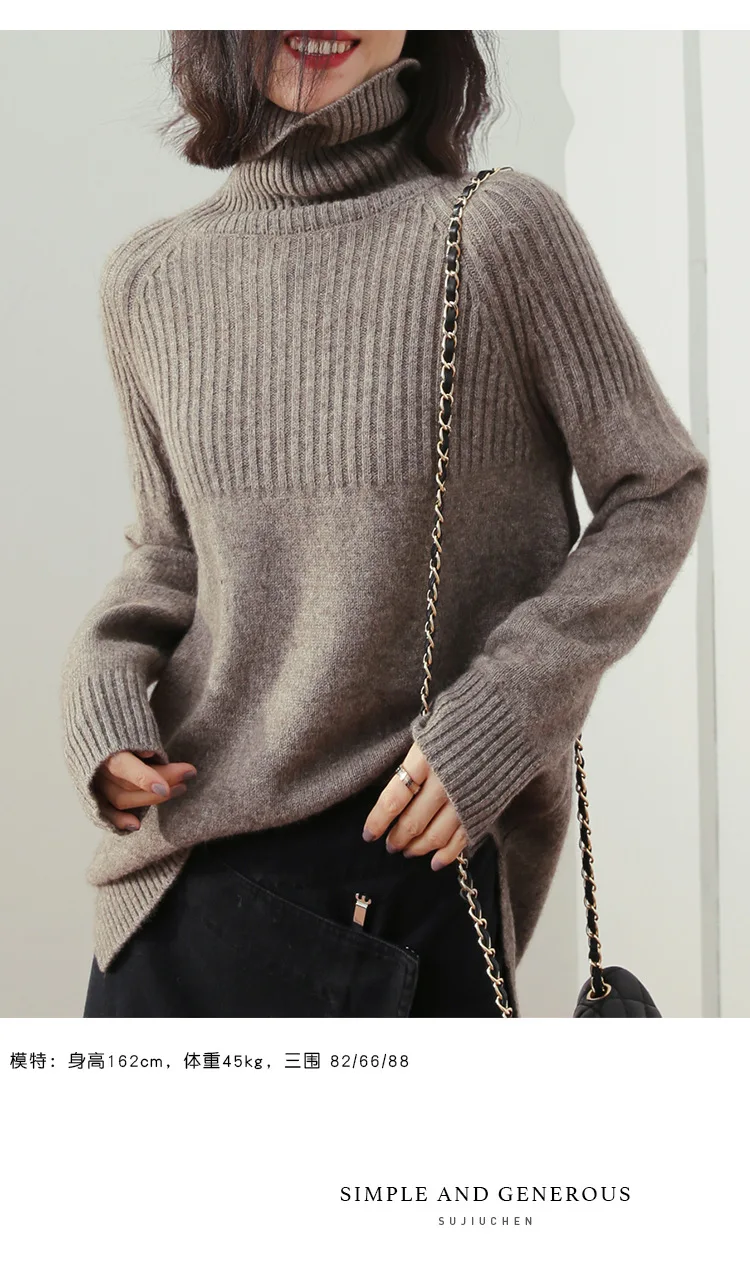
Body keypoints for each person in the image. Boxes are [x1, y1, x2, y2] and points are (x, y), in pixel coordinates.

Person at [61, 30, 709, 1018]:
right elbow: (167, 551)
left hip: (397, 875)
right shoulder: (148, 280)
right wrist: (102, 700)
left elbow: (656, 485)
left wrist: (506, 709)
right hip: (170, 899)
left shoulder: (495, 233)